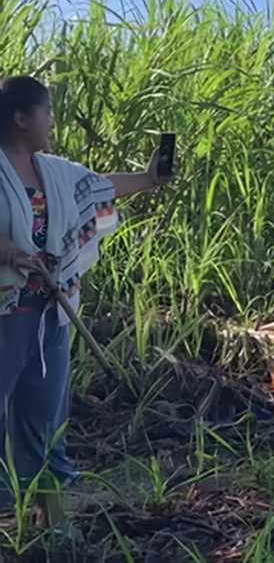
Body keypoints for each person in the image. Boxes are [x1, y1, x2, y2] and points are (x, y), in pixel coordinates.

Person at [0, 75, 171, 532]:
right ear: (20, 118)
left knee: (46, 422)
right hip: (5, 318)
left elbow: (96, 188)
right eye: (45, 112)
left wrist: (149, 178)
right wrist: (13, 253)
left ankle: (51, 525)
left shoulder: (52, 171)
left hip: (51, 315)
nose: (51, 121)